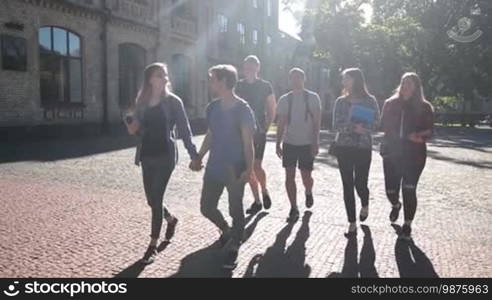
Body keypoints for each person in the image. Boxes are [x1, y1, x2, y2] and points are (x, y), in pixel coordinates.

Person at [124, 62, 199, 265]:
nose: (164, 78)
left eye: (165, 75)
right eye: (159, 75)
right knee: (151, 200)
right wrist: (132, 125)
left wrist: (194, 154)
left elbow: (184, 130)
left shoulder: (174, 102)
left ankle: (152, 245)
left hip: (166, 156)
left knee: (156, 200)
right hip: (146, 155)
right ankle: (171, 219)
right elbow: (137, 130)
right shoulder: (142, 102)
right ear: (150, 79)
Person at [190, 65, 256, 269]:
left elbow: (248, 143)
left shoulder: (243, 109)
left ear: (224, 81)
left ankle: (234, 245)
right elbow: (210, 135)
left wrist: (249, 169)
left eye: (213, 79)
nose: (210, 83)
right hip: (214, 166)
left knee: (235, 209)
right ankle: (227, 232)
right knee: (206, 207)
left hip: (235, 167)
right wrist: (199, 156)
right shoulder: (212, 108)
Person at [380, 72, 434, 241]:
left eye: (409, 83)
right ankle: (396, 204)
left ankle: (407, 224)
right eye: (403, 82)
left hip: (414, 155)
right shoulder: (390, 104)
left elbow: (430, 131)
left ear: (417, 87)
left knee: (409, 189)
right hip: (392, 154)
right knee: (391, 190)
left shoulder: (425, 107)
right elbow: (382, 125)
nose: (405, 86)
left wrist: (419, 136)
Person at [332, 68, 380, 238]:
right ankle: (352, 222)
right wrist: (352, 127)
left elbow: (376, 124)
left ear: (355, 80)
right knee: (347, 184)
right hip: (344, 147)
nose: (343, 82)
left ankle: (365, 203)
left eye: (346, 78)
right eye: (343, 79)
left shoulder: (370, 100)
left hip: (363, 147)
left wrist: (364, 129)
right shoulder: (340, 101)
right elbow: (335, 125)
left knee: (360, 182)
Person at [276, 68, 322, 223]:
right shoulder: (284, 99)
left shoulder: (313, 98)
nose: (296, 81)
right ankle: (294, 207)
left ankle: (308, 191)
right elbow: (281, 123)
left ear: (304, 79)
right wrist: (278, 143)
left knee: (306, 176)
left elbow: (317, 122)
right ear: (289, 80)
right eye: (293, 78)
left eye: (298, 78)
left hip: (307, 143)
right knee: (289, 176)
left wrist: (315, 141)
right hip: (289, 142)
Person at [235, 55, 276, 215]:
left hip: (258, 131)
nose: (249, 70)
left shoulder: (265, 86)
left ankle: (264, 190)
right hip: (241, 133)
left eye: (252, 67)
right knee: (248, 167)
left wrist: (266, 127)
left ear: (258, 68)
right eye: (247, 67)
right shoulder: (237, 86)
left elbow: (272, 107)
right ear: (243, 68)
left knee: (257, 166)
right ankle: (257, 201)